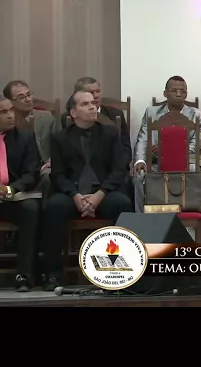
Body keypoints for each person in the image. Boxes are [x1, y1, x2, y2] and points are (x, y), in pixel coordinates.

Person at [42, 90, 132, 290]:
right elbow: (58, 174)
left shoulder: (110, 133)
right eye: (85, 104)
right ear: (73, 113)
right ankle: (53, 274)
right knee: (54, 207)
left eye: (93, 103)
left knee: (123, 203)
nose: (92, 107)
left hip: (103, 192)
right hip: (73, 194)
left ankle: (119, 272)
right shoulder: (60, 138)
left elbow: (119, 169)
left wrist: (100, 194)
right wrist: (75, 196)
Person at [132, 76, 201, 212]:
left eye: (183, 91)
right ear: (165, 93)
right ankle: (141, 216)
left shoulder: (199, 116)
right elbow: (142, 139)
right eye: (174, 90)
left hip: (186, 161)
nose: (179, 94)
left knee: (195, 168)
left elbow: (195, 147)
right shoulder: (151, 113)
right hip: (155, 162)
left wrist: (167, 150)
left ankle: (192, 209)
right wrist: (140, 160)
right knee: (139, 173)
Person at [0, 95, 41, 291]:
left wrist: (11, 189)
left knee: (31, 208)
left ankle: (24, 275)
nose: (10, 115)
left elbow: (31, 173)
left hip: (13, 197)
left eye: (11, 110)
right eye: (3, 112)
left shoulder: (25, 137)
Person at [3, 80, 57, 195]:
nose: (28, 99)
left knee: (49, 176)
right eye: (21, 97)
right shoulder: (6, 122)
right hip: (18, 170)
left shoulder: (47, 118)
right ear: (9, 101)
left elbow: (59, 145)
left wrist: (51, 161)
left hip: (43, 168)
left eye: (28, 95)